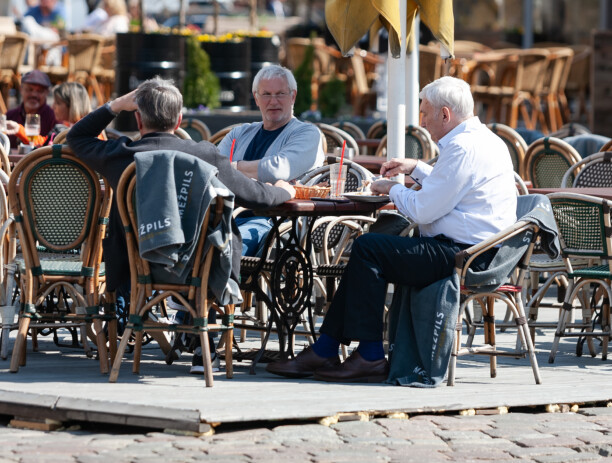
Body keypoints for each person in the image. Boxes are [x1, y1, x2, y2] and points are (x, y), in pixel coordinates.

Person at [266, 76, 518, 382]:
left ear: (445, 114)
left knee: (368, 248)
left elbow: (424, 208)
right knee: (371, 247)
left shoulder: (463, 148)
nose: (422, 121)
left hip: (465, 257)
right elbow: (452, 187)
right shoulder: (484, 139)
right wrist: (414, 168)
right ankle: (329, 349)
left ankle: (365, 354)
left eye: (425, 113)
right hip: (483, 251)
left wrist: (391, 189)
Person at [67, 77, 296, 374]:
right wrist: (285, 191)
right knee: (218, 241)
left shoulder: (121, 155)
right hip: (199, 267)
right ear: (179, 120)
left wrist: (115, 105)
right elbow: (257, 197)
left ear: (137, 118)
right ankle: (204, 339)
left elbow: (77, 136)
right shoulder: (205, 154)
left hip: (138, 264)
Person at [216, 65, 324, 256]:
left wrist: (231, 168)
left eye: (280, 93)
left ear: (293, 96)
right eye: (266, 94)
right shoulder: (239, 133)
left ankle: (227, 286)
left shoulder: (307, 133)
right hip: (224, 217)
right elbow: (212, 168)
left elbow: (278, 169)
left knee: (222, 251)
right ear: (256, 98)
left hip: (273, 224)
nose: (273, 101)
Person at [5, 82, 95, 146]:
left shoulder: (87, 134)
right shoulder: (71, 128)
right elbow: (44, 142)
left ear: (72, 106)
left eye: (58, 103)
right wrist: (18, 129)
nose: (53, 106)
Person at [5, 70, 58, 149]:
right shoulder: (10, 115)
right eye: (29, 89)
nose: (34, 94)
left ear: (47, 93)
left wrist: (20, 131)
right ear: (21, 89)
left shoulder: (54, 117)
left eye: (39, 91)